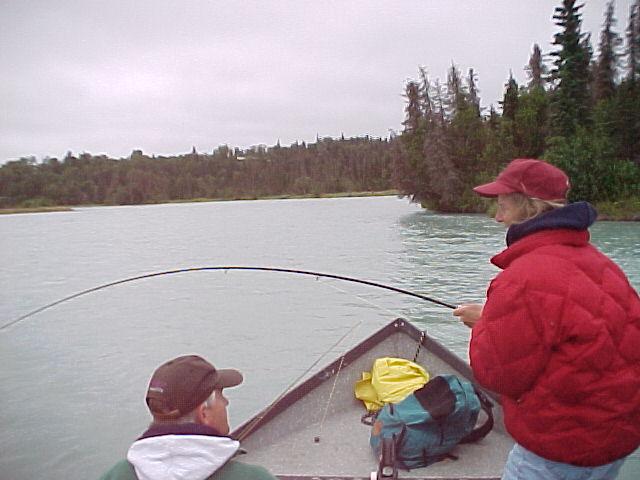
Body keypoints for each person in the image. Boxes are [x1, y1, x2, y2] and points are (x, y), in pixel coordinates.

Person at [453, 158, 640, 479]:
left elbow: (498, 375)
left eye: (503, 206)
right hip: (616, 439)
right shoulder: (603, 265)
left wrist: (483, 326)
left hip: (559, 449)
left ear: (530, 209)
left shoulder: (523, 277)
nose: (498, 218)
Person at [99, 355, 277, 480]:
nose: (226, 402)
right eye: (221, 395)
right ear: (204, 413)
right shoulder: (252, 477)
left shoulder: (115, 475)